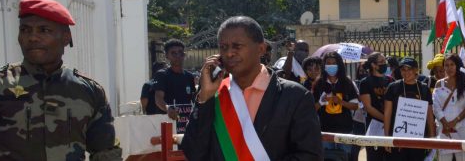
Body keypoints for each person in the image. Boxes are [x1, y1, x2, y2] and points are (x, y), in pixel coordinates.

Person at [0, 0, 121, 159]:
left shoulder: (88, 91)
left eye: (44, 30)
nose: (32, 38)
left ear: (66, 38)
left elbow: (106, 152)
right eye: (25, 30)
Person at [182, 16, 321, 160]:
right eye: (224, 47)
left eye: (237, 46)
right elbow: (193, 153)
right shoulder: (212, 94)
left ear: (261, 49)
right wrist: (204, 99)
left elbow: (310, 155)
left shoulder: (295, 96)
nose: (229, 53)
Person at [383, 57, 435, 160]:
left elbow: (429, 115)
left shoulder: (424, 89)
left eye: (409, 69)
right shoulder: (393, 87)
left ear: (416, 70)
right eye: (403, 69)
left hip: (418, 139)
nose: (406, 73)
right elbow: (387, 114)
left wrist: (432, 138)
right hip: (397, 139)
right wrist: (386, 138)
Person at [314, 51, 360, 158]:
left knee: (344, 157)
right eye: (328, 63)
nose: (331, 66)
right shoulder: (319, 83)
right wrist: (321, 102)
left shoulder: (347, 82)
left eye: (334, 63)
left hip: (345, 129)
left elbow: (356, 106)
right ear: (324, 65)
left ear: (339, 65)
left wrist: (341, 102)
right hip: (325, 130)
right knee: (327, 157)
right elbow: (312, 109)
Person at [433, 55, 465, 161]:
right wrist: (445, 123)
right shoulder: (439, 84)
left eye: (452, 65)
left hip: (462, 127)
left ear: (457, 66)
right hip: (444, 129)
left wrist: (455, 121)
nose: (449, 68)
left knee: (464, 158)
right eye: (446, 65)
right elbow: (436, 106)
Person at [152, 39, 197, 132]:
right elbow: (158, 98)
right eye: (173, 53)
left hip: (186, 125)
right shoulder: (162, 75)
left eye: (180, 52)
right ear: (167, 56)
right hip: (168, 124)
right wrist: (168, 109)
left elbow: (193, 99)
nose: (177, 56)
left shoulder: (189, 76)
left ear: (184, 55)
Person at [359, 52, 392, 161]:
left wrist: (389, 122)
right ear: (373, 65)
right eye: (382, 62)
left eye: (385, 62)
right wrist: (385, 120)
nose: (385, 64)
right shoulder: (365, 82)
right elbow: (368, 107)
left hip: (391, 127)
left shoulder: (391, 81)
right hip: (374, 126)